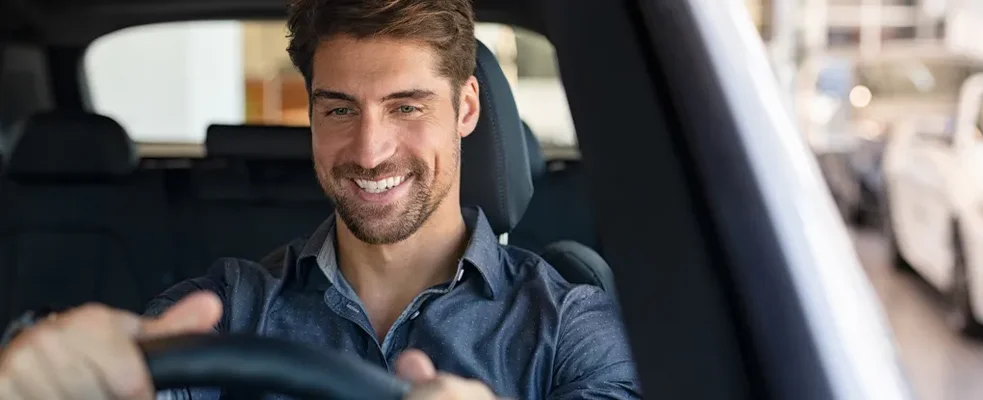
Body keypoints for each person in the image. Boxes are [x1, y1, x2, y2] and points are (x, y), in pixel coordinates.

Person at [0, 0, 640, 399]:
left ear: (466, 107)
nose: (368, 150)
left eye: (406, 107)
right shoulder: (227, 309)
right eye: (339, 108)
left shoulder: (568, 325)